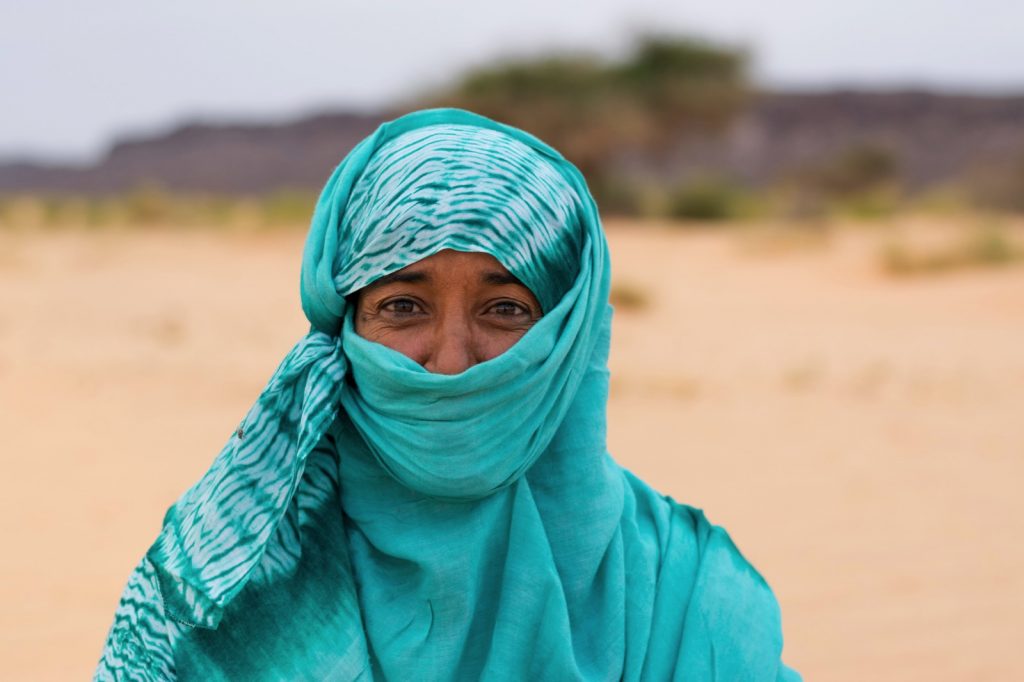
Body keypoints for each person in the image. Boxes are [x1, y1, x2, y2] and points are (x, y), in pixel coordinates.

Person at [95, 108, 800, 680]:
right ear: (346, 323)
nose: (452, 361)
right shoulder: (224, 586)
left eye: (506, 310)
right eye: (403, 306)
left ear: (569, 335)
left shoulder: (687, 596)